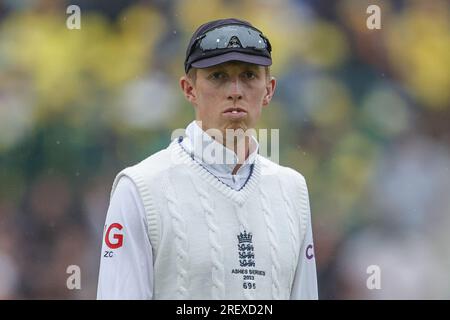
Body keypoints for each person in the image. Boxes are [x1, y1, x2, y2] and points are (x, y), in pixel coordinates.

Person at [97, 18, 318, 300]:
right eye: (218, 76)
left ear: (269, 89)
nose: (235, 90)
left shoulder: (293, 190)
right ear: (189, 89)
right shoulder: (141, 187)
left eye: (249, 75)